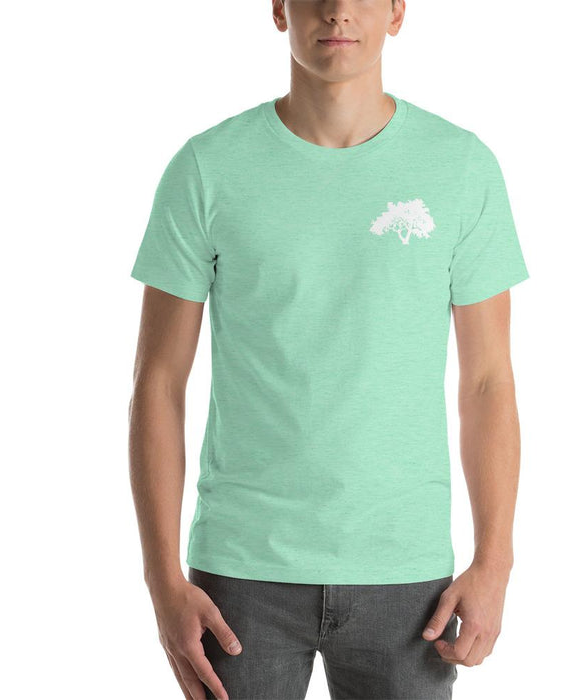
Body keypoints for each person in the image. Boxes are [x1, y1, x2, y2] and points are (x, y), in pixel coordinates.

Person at [128, 1, 529, 698]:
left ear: (397, 12)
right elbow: (158, 383)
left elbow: (488, 381)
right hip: (240, 575)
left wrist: (495, 562)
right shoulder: (207, 168)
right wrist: (162, 580)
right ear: (279, 8)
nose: (339, 10)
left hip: (409, 579)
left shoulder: (461, 167)